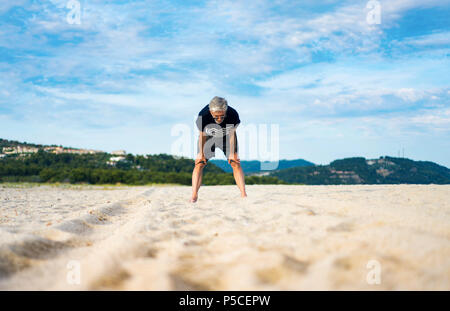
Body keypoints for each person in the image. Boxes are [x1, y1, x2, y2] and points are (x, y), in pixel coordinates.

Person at [190, 96, 247, 203]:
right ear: (211, 112)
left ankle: (243, 194)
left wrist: (232, 153)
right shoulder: (203, 115)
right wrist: (201, 153)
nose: (220, 119)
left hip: (226, 137)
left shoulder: (233, 114)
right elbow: (202, 135)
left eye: (222, 116)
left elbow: (232, 133)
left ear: (225, 111)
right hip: (208, 137)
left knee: (234, 162)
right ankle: (194, 196)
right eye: (216, 117)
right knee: (199, 163)